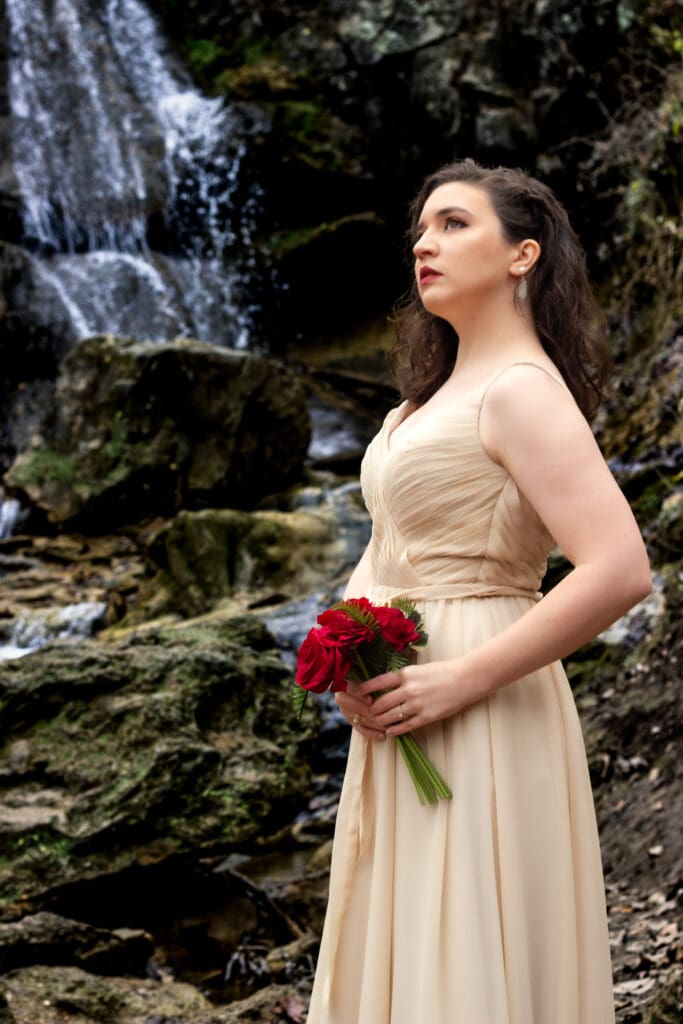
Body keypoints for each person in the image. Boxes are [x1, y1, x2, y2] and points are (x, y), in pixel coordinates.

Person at [306, 159, 651, 1024]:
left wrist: (462, 678)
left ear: (521, 255)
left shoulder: (522, 392)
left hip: (480, 692)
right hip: (402, 699)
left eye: (454, 224)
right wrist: (346, 662)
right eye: (421, 230)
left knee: (466, 945)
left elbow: (618, 568)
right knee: (413, 939)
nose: (426, 243)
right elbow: (386, 553)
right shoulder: (418, 405)